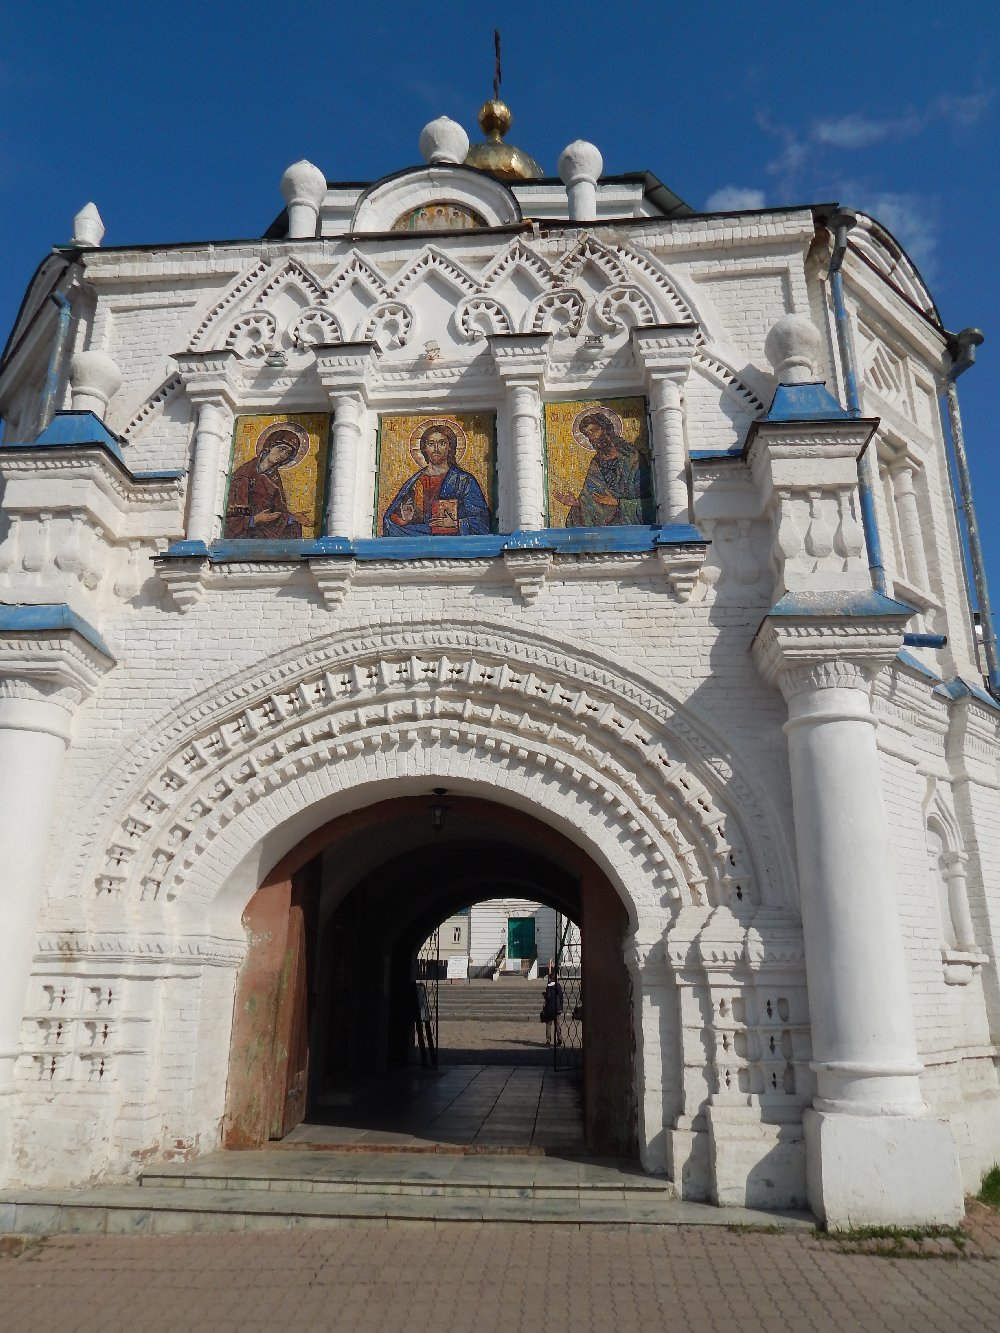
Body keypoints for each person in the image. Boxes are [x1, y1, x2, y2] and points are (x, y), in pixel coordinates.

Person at [382, 421, 491, 536]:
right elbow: (389, 521)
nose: (436, 449)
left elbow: (481, 522)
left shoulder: (464, 481)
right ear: (424, 448)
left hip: (452, 542)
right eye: (431, 444)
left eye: (442, 443)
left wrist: (457, 524)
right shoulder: (414, 482)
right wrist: (404, 520)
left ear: (450, 447)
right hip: (418, 538)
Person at [554, 408, 655, 527]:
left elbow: (648, 502)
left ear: (606, 429)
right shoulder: (596, 464)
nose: (592, 437)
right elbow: (592, 497)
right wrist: (579, 504)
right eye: (588, 434)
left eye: (594, 430)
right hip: (607, 524)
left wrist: (617, 503)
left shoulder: (632, 458)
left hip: (631, 522)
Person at [224, 423, 307, 539]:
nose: (283, 455)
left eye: (288, 453)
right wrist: (255, 519)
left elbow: (278, 510)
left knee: (294, 527)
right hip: (247, 530)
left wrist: (292, 518)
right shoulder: (244, 474)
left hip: (266, 528)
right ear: (269, 446)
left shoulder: (274, 479)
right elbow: (233, 514)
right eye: (281, 449)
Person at [541, 963, 564, 1046]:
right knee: (557, 1024)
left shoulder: (549, 987)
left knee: (548, 1024)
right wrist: (561, 1007)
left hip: (550, 1009)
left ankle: (548, 1040)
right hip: (557, 1008)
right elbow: (561, 997)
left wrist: (544, 995)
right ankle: (559, 1038)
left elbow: (548, 997)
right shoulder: (558, 986)